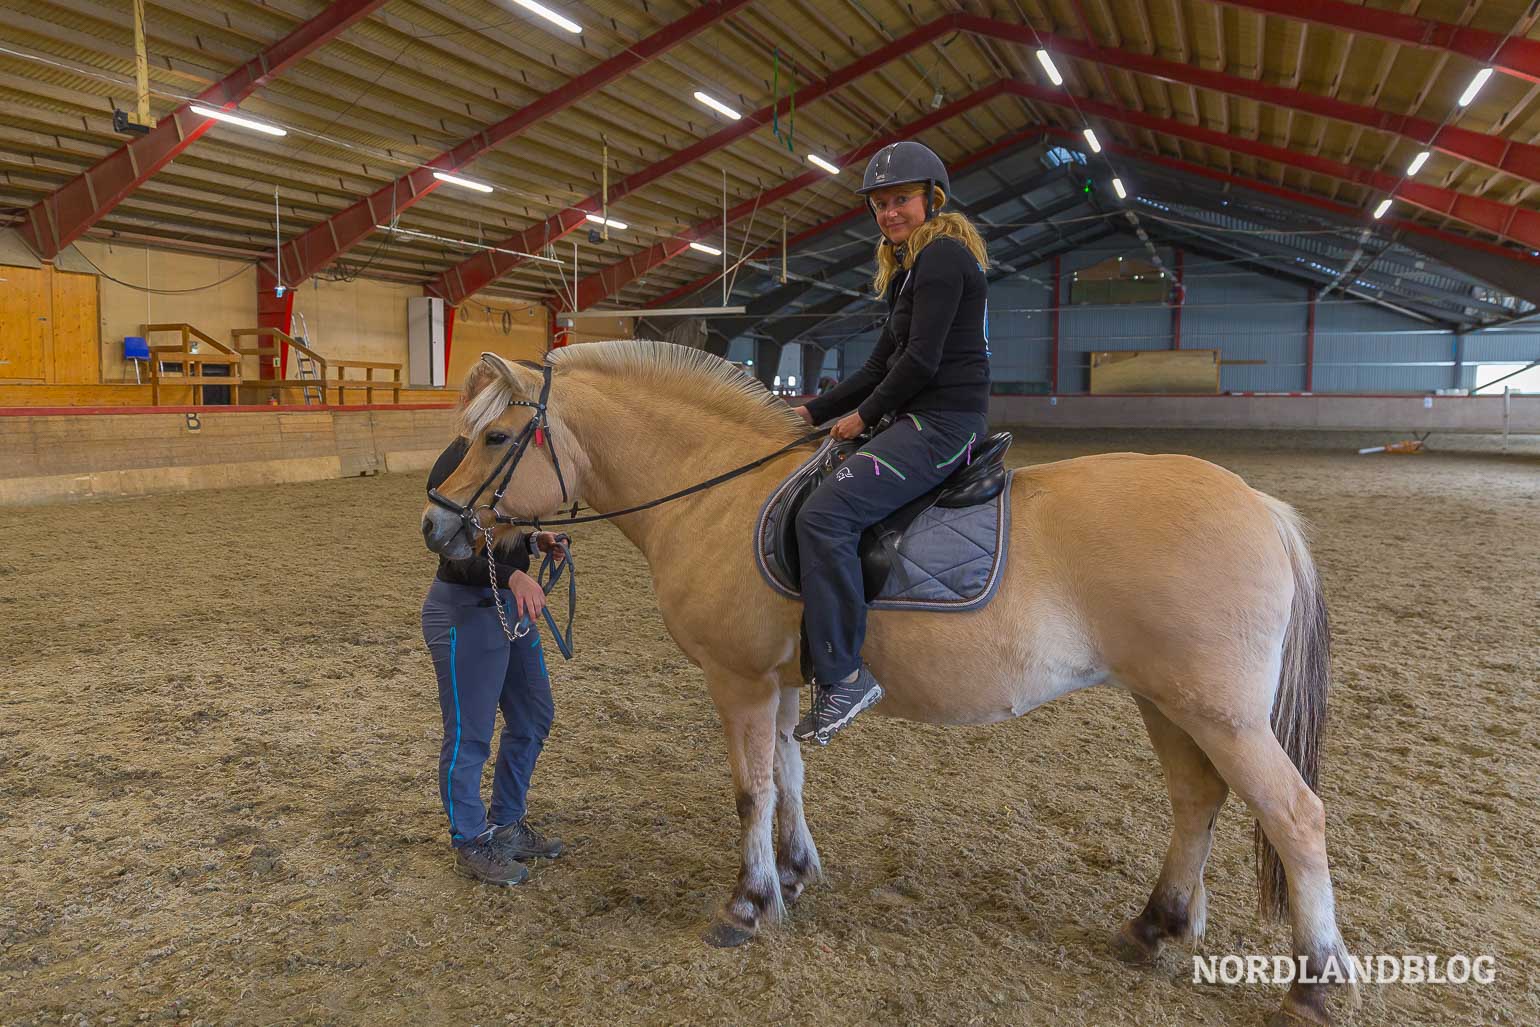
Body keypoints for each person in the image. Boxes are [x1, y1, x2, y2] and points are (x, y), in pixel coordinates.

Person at [790, 140, 992, 746]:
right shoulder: (909, 271)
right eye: (879, 204)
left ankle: (845, 675)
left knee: (824, 516)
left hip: (944, 424)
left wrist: (860, 417)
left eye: (900, 200)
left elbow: (922, 362)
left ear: (932, 199)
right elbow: (878, 364)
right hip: (917, 416)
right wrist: (810, 411)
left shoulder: (943, 258)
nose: (889, 213)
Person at [421, 435, 569, 885]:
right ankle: (468, 839)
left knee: (534, 715)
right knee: (470, 733)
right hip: (466, 609)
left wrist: (531, 541)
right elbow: (452, 549)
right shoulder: (457, 461)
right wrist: (514, 576)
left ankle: (506, 822)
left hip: (508, 608)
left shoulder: (512, 459)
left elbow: (496, 533)